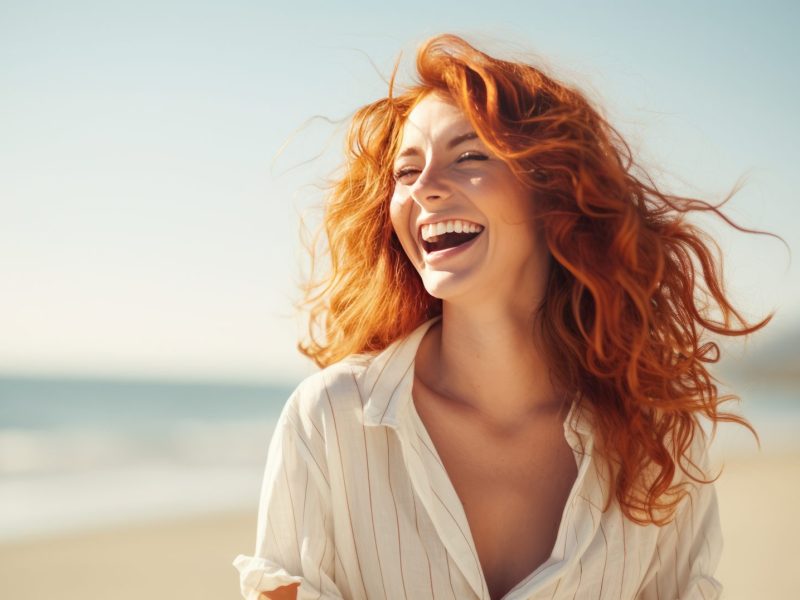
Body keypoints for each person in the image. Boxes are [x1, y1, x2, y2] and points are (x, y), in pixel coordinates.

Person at [233, 33, 767, 600]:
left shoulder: (657, 443)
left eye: (469, 157)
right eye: (406, 172)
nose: (426, 190)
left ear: (552, 192)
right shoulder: (330, 421)